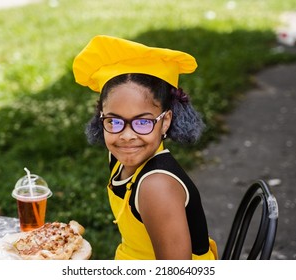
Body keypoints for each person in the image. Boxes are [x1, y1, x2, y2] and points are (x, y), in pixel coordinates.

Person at [72, 35, 217, 260]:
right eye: (114, 121)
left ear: (165, 121)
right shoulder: (120, 157)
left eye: (142, 122)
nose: (127, 136)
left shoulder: (156, 187)